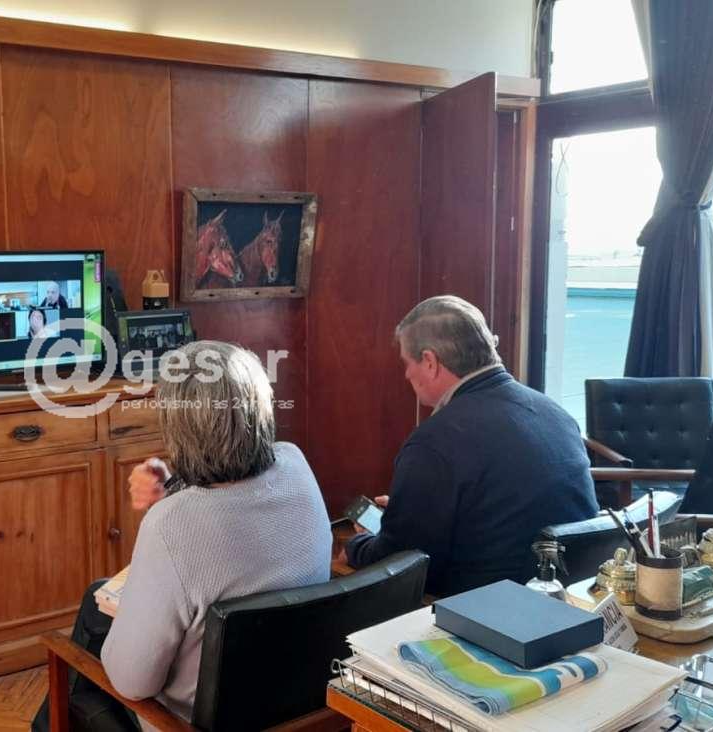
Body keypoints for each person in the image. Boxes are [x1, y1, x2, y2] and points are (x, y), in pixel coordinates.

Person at [31, 341, 331, 730]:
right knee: (97, 597)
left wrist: (169, 501)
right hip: (293, 705)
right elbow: (232, 497)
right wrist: (173, 483)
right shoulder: (296, 464)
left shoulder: (171, 525)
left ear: (176, 427)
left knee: (76, 670)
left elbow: (133, 683)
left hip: (191, 723)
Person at [344, 295, 597, 597]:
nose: (407, 374)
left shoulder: (435, 441)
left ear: (429, 362)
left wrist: (357, 545)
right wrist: (408, 508)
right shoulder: (556, 413)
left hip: (484, 608)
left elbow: (399, 563)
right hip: (571, 595)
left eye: (406, 363)